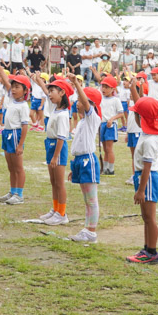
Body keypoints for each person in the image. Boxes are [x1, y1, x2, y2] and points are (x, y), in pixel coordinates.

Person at [126, 96, 158, 264]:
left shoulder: (150, 140)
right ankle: (147, 248)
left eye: (137, 114)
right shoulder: (147, 133)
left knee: (149, 217)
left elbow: (147, 166)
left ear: (143, 117)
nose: (134, 117)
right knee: (145, 217)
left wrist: (140, 190)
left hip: (147, 179)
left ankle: (152, 252)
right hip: (143, 177)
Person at [67, 74, 103, 243]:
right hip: (80, 161)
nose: (77, 103)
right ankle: (87, 229)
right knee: (86, 200)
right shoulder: (82, 121)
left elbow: (86, 103)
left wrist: (75, 83)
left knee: (91, 199)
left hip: (88, 161)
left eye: (80, 101)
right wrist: (73, 167)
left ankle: (91, 232)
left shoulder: (92, 118)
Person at [32, 73, 71, 225]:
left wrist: (55, 156)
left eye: (53, 91)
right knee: (53, 181)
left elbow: (62, 137)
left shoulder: (62, 114)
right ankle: (55, 209)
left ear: (62, 93)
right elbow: (45, 91)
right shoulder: (54, 108)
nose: (49, 94)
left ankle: (62, 213)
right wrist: (38, 81)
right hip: (50, 145)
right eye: (49, 91)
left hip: (58, 148)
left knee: (59, 182)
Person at [0, 57, 30, 205]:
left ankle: (19, 194)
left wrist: (20, 144)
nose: (13, 89)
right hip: (7, 133)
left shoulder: (23, 106)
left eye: (17, 87)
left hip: (15, 134)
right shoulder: (12, 98)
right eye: (13, 86)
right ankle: (12, 191)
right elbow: (5, 79)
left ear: (25, 91)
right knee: (10, 166)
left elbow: (25, 126)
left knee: (18, 167)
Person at [96, 73, 121, 176]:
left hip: (110, 126)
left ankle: (111, 169)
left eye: (107, 87)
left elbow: (121, 113)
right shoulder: (100, 98)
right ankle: (105, 167)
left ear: (113, 89)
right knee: (105, 148)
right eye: (103, 86)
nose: (104, 89)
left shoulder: (116, 100)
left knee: (109, 148)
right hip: (102, 125)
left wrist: (112, 119)